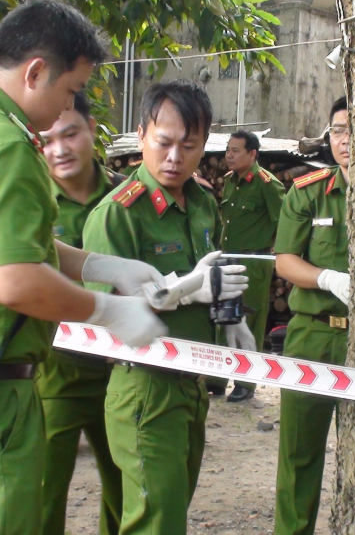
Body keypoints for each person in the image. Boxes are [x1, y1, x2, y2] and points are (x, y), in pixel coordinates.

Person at [0, 0, 166, 534]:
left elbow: (6, 244)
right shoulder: (3, 143)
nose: (66, 108)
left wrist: (100, 264)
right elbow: (15, 278)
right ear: (36, 72)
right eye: (69, 91)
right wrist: (109, 312)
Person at [82, 80, 255, 533]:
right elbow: (105, 309)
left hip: (192, 383)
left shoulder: (202, 204)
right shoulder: (119, 213)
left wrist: (230, 315)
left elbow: (214, 267)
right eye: (163, 143)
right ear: (141, 137)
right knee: (155, 523)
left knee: (170, 513)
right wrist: (184, 289)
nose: (174, 157)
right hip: (144, 386)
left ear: (204, 148)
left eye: (188, 145)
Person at [36, 91, 125, 535]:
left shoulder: (129, 198)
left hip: (124, 375)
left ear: (92, 130)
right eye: (46, 139)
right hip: (55, 374)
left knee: (126, 491)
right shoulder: (31, 200)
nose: (58, 149)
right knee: (43, 493)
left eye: (69, 134)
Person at [273, 97, 351, 535]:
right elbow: (285, 260)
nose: (347, 140)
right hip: (312, 337)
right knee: (300, 454)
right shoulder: (308, 192)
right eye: (339, 130)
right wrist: (327, 280)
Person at [211, 130, 284, 402]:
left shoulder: (267, 184)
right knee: (221, 318)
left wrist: (278, 251)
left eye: (236, 151)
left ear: (252, 154)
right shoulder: (231, 182)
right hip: (226, 258)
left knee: (248, 321)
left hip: (253, 263)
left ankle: (245, 382)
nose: (229, 156)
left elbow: (284, 221)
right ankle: (216, 378)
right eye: (228, 150)